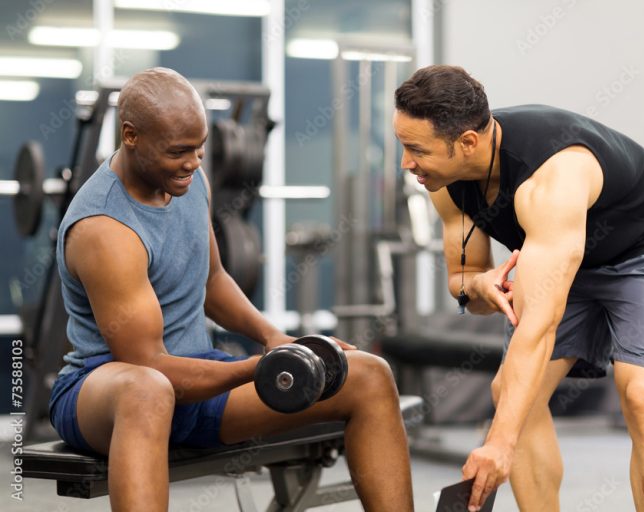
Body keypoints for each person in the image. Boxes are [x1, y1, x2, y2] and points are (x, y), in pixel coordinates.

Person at [48, 67, 413, 512]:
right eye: (179, 152)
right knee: (147, 391)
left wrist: (273, 339)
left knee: (369, 375)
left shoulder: (189, 181)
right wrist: (261, 368)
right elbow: (150, 364)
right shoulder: (105, 228)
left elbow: (213, 279)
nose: (193, 163)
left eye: (199, 149)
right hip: (106, 391)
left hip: (195, 380)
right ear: (130, 136)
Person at [394, 65, 644, 512]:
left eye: (416, 149)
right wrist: (478, 284)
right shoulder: (446, 184)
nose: (406, 163)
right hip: (559, 255)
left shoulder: (549, 179)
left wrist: (499, 444)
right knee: (513, 393)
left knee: (642, 394)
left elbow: (539, 325)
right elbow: (464, 283)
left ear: (468, 143)